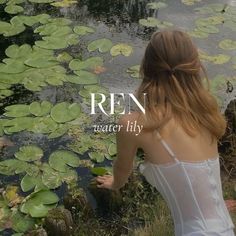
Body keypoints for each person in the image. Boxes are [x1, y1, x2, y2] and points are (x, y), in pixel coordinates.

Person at [96, 30, 235, 235]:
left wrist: (115, 183)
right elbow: (201, 176)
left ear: (146, 68)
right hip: (224, 227)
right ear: (195, 67)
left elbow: (122, 171)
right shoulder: (206, 113)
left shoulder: (134, 124)